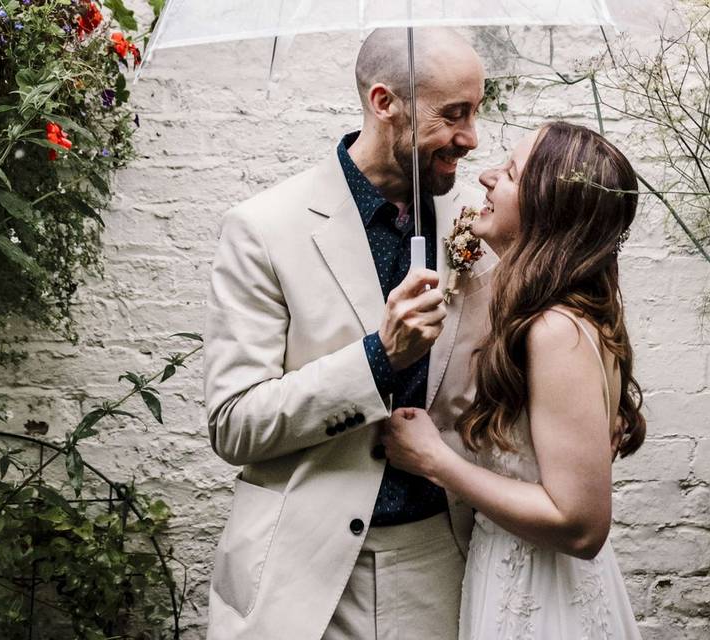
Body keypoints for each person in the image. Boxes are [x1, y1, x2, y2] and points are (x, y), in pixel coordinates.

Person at [202, 28, 495, 640]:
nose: (471, 138)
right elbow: (234, 423)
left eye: (476, 112)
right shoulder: (263, 228)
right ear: (385, 102)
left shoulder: (485, 219)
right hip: (298, 573)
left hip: (441, 561)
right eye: (454, 115)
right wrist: (378, 358)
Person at [379, 121, 647, 639]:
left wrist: (435, 461)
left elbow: (582, 524)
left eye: (509, 173)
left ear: (547, 210)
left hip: (542, 599)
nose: (484, 176)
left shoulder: (555, 330)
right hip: (505, 575)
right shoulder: (552, 314)